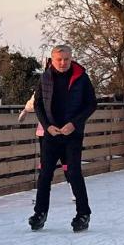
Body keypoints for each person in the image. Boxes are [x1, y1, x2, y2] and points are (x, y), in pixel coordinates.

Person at [28, 45, 97, 232]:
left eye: (66, 59)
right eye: (59, 59)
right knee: (45, 175)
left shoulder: (81, 77)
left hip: (72, 135)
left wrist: (74, 124)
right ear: (52, 59)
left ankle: (83, 213)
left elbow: (91, 104)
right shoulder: (45, 77)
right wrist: (47, 126)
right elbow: (38, 105)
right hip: (51, 134)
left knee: (74, 172)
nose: (63, 63)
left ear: (71, 58)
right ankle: (40, 213)